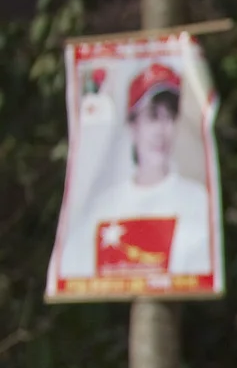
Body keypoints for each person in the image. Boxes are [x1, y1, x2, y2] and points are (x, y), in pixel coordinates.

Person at [63, 61, 214, 285]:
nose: (162, 130)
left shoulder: (198, 201)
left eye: (169, 116)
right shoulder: (103, 207)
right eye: (153, 116)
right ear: (133, 126)